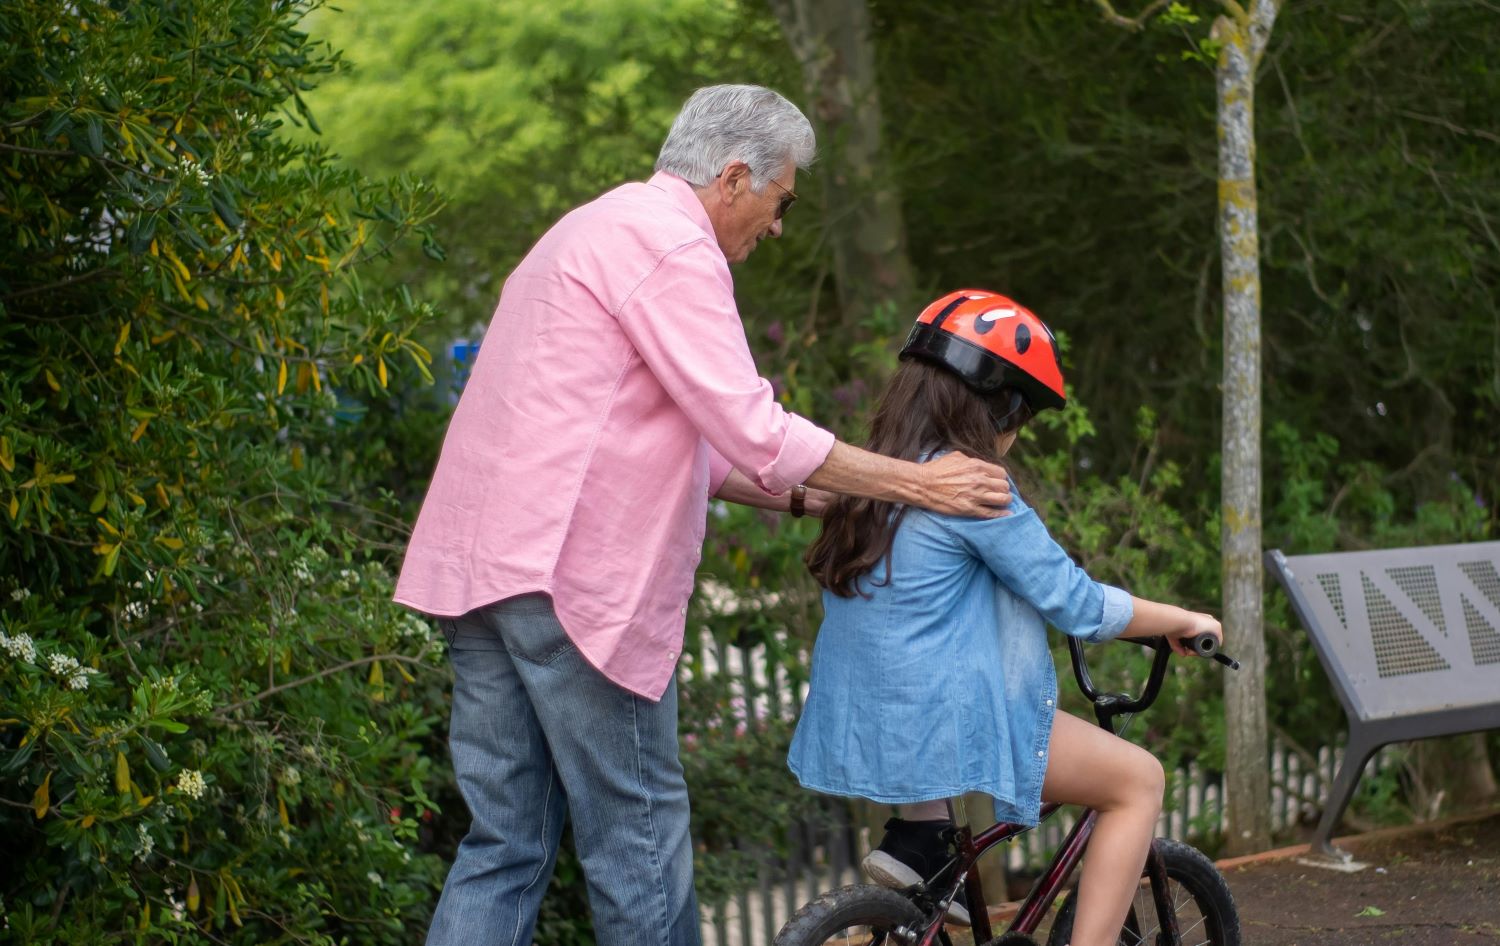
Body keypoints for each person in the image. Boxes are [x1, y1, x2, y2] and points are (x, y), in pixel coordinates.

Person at [395, 87, 1016, 946]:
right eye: (781, 201)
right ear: (732, 177)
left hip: (481, 575)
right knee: (639, 847)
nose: (779, 226)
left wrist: (858, 491)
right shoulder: (671, 247)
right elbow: (756, 430)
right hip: (573, 587)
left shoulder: (584, 233)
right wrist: (929, 486)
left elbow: (712, 456)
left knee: (508, 844)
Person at [787, 289, 1224, 946]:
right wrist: (1179, 619)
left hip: (870, 718)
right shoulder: (972, 485)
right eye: (1024, 414)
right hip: (944, 723)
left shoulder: (874, 476)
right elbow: (1075, 604)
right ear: (1003, 406)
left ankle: (923, 843)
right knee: (1139, 779)